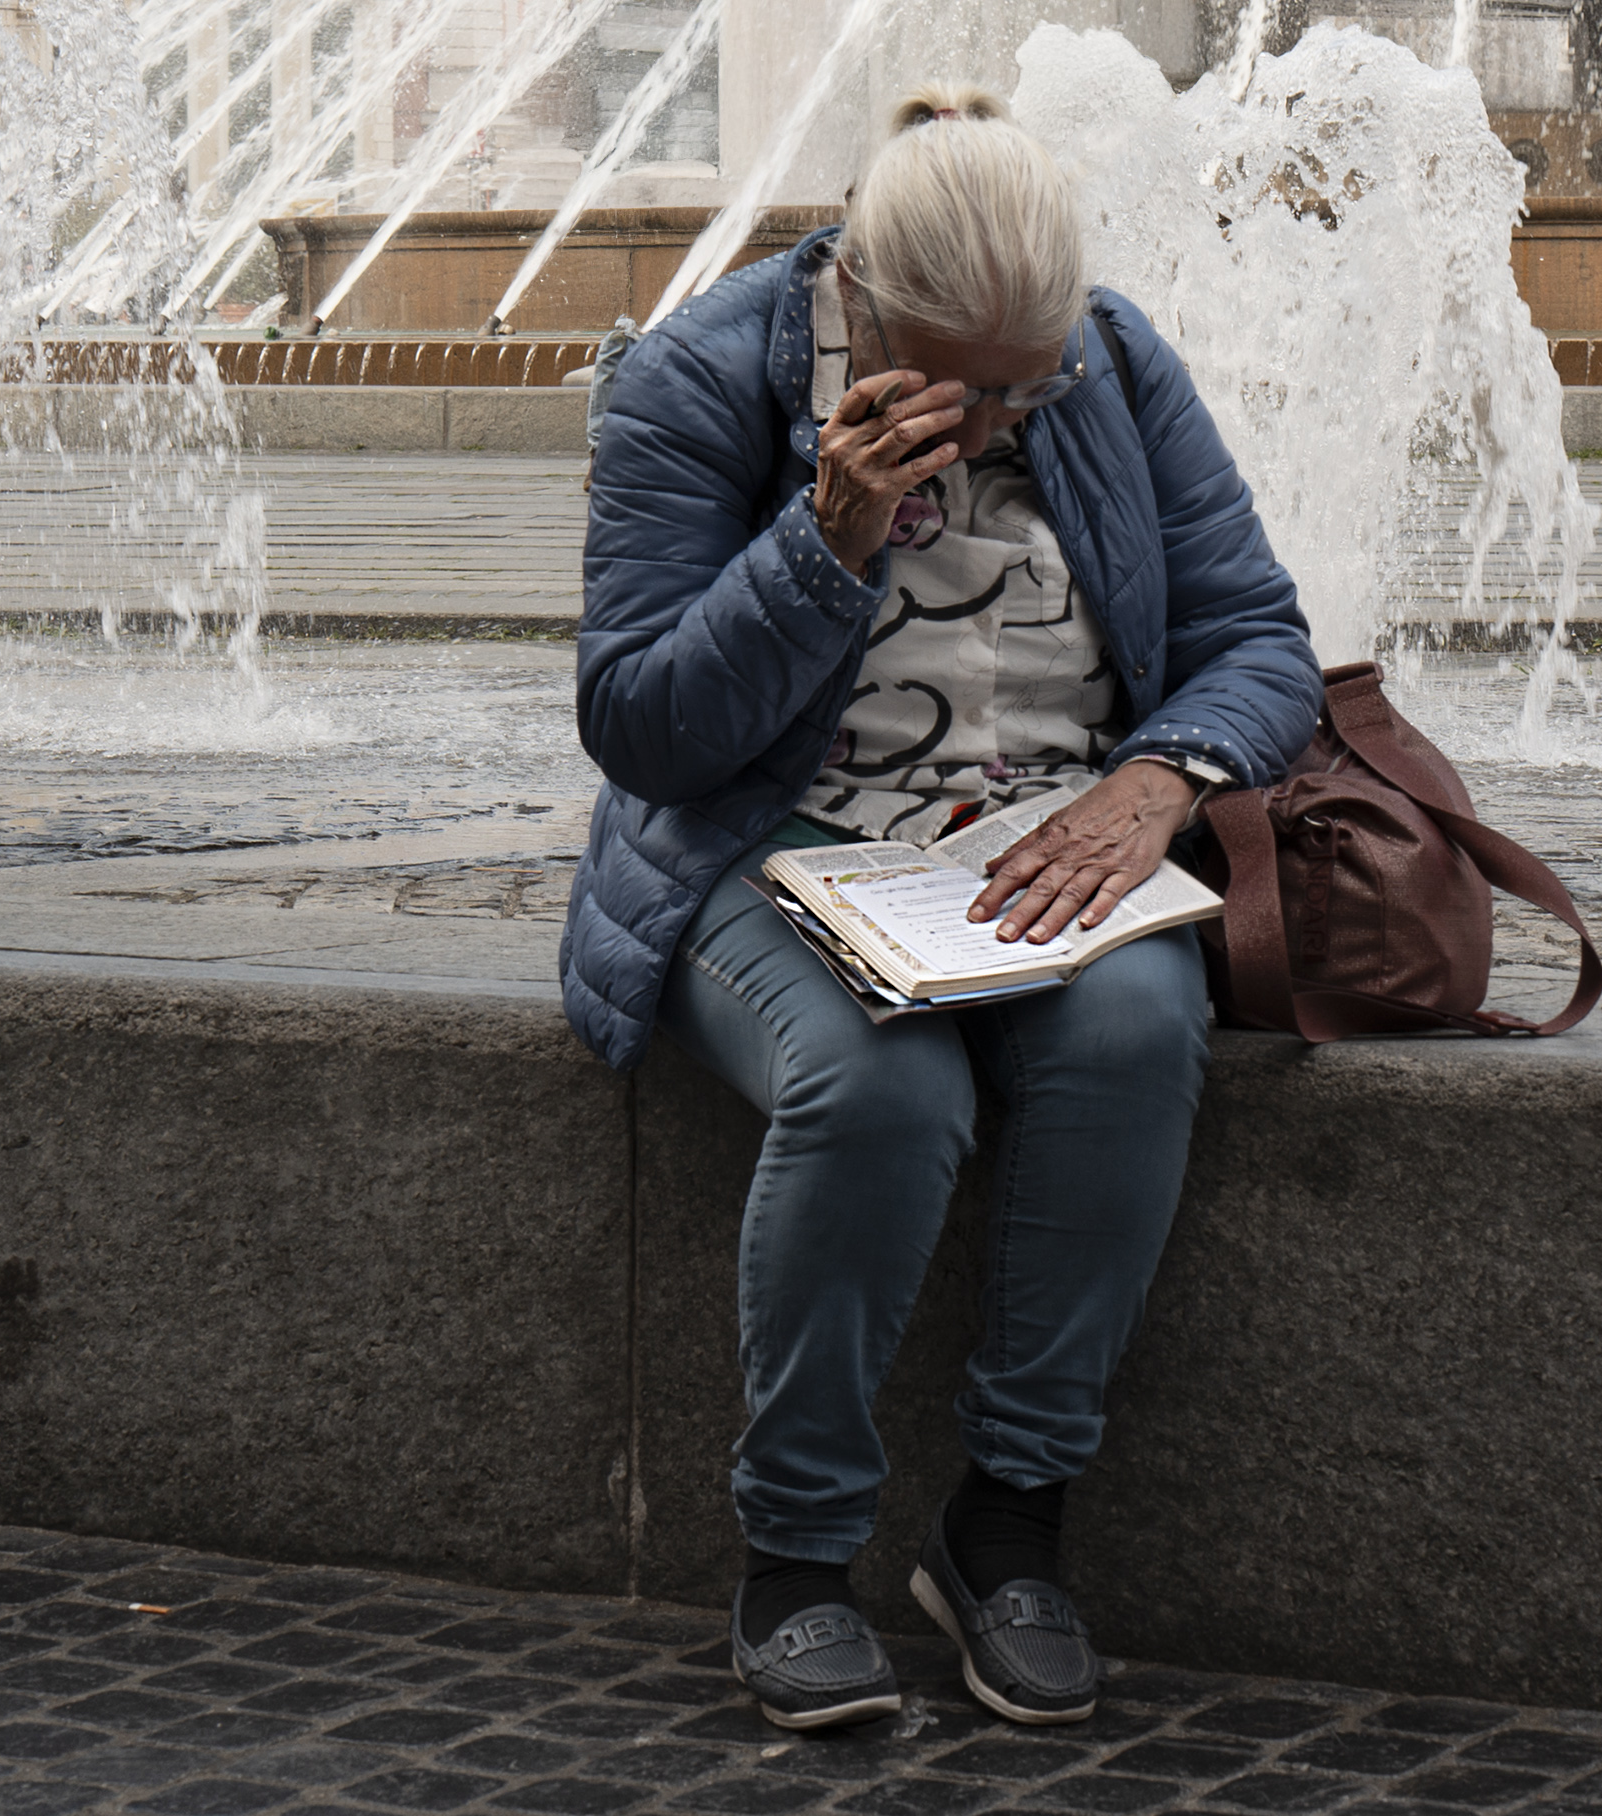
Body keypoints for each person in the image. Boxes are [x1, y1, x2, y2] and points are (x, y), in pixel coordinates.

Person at [561, 82, 1323, 1730]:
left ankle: (1007, 1528)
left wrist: (1160, 776)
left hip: (1039, 838)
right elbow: (641, 726)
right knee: (877, 1088)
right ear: (864, 294)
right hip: (766, 842)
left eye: (1018, 387)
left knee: (1131, 1032)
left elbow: (1258, 635)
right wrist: (821, 536)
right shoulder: (699, 377)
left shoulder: (1108, 363)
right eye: (951, 382)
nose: (988, 425)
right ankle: (795, 1557)